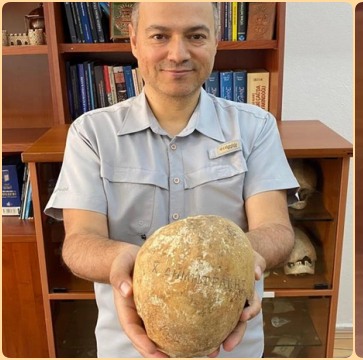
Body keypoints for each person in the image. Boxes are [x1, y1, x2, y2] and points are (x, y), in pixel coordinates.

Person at [44, 2, 297, 357]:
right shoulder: (91, 134)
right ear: (134, 41)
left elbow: (276, 230)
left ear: (215, 42)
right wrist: (121, 260)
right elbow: (78, 242)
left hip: (230, 344)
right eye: (160, 36)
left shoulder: (255, 128)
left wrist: (241, 259)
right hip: (128, 345)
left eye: (195, 36)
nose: (177, 54)